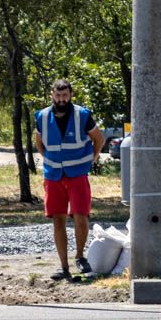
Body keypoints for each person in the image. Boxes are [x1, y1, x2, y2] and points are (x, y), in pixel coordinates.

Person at [34, 79, 105, 280]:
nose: (61, 99)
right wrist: (49, 160)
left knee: (81, 216)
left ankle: (80, 256)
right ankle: (63, 267)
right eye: (58, 95)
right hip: (53, 175)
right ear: (52, 95)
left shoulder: (82, 115)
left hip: (77, 175)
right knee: (58, 220)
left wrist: (92, 159)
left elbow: (99, 139)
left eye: (65, 95)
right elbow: (39, 143)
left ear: (70, 95)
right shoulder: (42, 116)